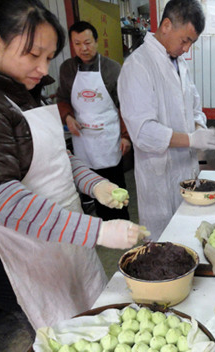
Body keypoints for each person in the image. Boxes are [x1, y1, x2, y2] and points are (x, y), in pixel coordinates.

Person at [0, 0, 147, 329]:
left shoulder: (20, 87)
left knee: (89, 329)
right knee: (60, 349)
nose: (43, 69)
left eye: (49, 58)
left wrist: (94, 183)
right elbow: (1, 201)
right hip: (26, 261)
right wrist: (98, 230)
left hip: (65, 248)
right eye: (34, 55)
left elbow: (54, 155)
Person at [118, 0, 215, 241]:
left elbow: (195, 105)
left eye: (191, 43)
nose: (187, 49)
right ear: (166, 25)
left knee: (189, 239)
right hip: (159, 180)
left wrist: (199, 128)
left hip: (186, 172)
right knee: (163, 246)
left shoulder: (178, 63)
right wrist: (191, 139)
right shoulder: (137, 67)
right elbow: (143, 132)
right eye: (185, 40)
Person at [57, 21, 131, 221]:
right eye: (78, 43)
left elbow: (125, 106)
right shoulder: (67, 69)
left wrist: (126, 136)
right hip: (83, 139)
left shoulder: (112, 69)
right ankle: (101, 227)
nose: (83, 48)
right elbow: (62, 98)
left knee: (115, 185)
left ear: (96, 42)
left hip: (108, 139)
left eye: (88, 42)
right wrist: (68, 117)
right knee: (91, 185)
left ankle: (121, 223)